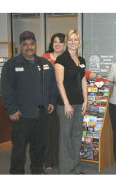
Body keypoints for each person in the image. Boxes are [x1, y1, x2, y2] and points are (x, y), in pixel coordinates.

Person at [0, 31, 58, 174]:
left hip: (41, 114)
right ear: (20, 46)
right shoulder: (11, 65)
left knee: (39, 147)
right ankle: (16, 173)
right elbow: (6, 89)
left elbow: (52, 85)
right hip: (21, 115)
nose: (29, 47)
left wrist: (51, 101)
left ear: (35, 45)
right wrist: (12, 109)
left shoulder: (44, 64)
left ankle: (37, 171)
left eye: (31, 44)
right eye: (25, 44)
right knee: (19, 148)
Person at [54, 30, 88, 174]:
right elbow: (59, 83)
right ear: (67, 42)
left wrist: (86, 100)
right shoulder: (61, 59)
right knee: (65, 137)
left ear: (79, 42)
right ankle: (66, 169)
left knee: (76, 136)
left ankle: (76, 166)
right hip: (65, 105)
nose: (73, 42)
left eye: (76, 39)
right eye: (71, 40)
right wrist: (66, 103)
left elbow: (83, 80)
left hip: (79, 103)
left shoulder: (82, 60)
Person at [41, 33, 65, 171]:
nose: (57, 44)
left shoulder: (66, 58)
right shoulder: (44, 58)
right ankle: (48, 160)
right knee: (48, 131)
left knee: (60, 131)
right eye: (55, 41)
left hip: (63, 98)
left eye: (60, 42)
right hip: (48, 99)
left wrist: (93, 75)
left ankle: (57, 158)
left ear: (64, 44)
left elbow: (81, 71)